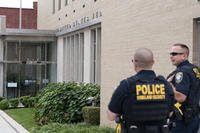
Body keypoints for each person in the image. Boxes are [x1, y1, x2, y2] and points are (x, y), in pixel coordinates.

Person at [107, 48, 174, 133]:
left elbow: (111, 116)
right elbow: (170, 113)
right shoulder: (166, 84)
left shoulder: (126, 85)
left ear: (135, 64)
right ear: (153, 62)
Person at [167, 43, 200, 133]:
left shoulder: (182, 72)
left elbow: (181, 97)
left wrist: (168, 86)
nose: (171, 56)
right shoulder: (195, 69)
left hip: (182, 121)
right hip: (193, 117)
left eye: (174, 54)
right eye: (170, 54)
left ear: (184, 56)